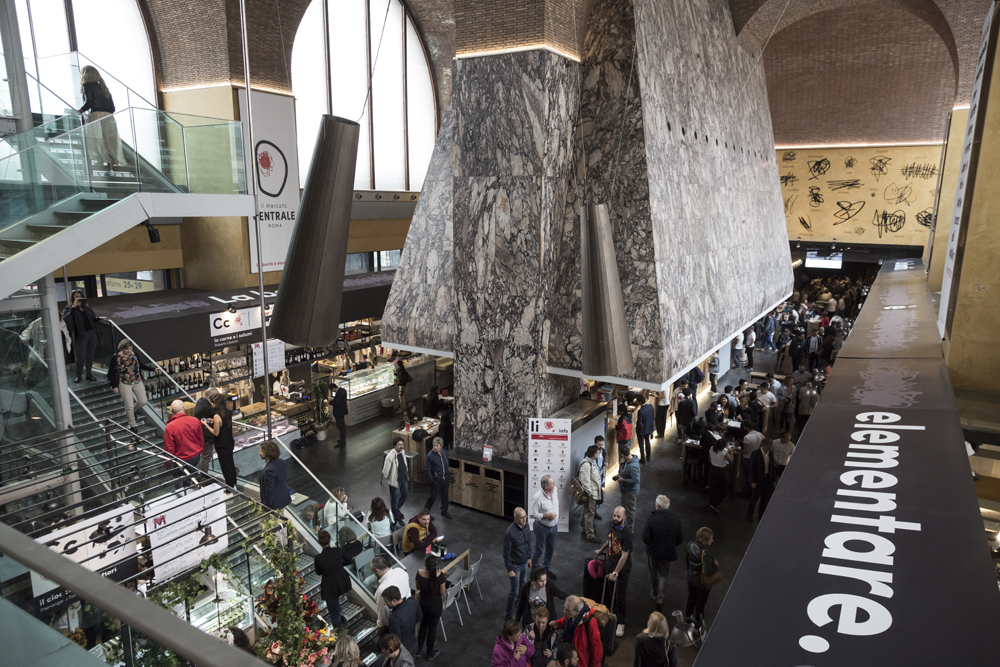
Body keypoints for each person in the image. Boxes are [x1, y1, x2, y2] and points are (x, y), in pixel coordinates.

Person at [594, 506, 632, 637]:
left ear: (624, 518)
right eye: (614, 515)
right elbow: (610, 540)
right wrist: (601, 550)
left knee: (620, 595)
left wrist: (615, 573)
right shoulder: (612, 525)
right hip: (611, 562)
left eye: (618, 516)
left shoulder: (627, 533)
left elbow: (625, 556)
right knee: (610, 591)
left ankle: (621, 623)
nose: (615, 518)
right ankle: (612, 614)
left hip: (621, 567)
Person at [641, 495, 683, 613]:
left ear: (658, 506)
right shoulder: (675, 520)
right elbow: (680, 539)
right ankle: (660, 599)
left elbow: (645, 538)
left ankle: (654, 593)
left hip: (653, 553)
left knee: (653, 572)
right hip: (667, 553)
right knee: (664, 574)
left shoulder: (651, 520)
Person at [78, 66, 123, 173]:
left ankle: (96, 163)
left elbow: (89, 102)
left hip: (96, 115)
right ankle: (110, 167)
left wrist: (79, 111)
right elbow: (113, 108)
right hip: (109, 117)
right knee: (109, 141)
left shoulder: (87, 86)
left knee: (95, 139)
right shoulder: (104, 88)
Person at [108, 340, 155, 433]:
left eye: (131, 348)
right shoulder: (116, 358)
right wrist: (114, 386)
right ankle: (133, 426)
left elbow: (140, 365)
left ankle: (132, 411)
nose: (129, 351)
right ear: (121, 349)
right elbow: (110, 373)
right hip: (124, 382)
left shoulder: (135, 355)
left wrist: (153, 369)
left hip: (137, 381)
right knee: (128, 405)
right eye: (127, 349)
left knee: (143, 401)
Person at [314, 529, 353, 628]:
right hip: (342, 581)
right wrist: (340, 565)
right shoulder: (337, 550)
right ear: (330, 540)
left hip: (329, 585)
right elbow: (350, 559)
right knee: (335, 599)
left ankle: (339, 633)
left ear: (319, 542)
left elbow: (318, 573)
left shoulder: (318, 558)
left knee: (333, 614)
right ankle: (342, 615)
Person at [548, 597, 602, 667]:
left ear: (577, 611)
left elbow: (597, 648)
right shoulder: (570, 614)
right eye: (564, 608)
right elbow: (565, 620)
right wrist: (558, 623)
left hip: (580, 662)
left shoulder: (590, 623)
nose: (564, 611)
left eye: (567, 610)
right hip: (569, 657)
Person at [63, 292, 103, 382]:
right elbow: (67, 318)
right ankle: (79, 375)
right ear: (73, 298)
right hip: (81, 334)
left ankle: (89, 374)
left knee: (90, 355)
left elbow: (92, 320)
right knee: (81, 356)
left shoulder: (86, 308)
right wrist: (74, 306)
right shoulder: (69, 308)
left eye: (80, 296)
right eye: (76, 297)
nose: (79, 298)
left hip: (91, 333)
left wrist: (100, 318)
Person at [685, 527, 719, 634]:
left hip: (691, 579)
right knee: (700, 604)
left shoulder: (690, 545)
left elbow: (687, 562)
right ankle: (697, 626)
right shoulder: (706, 554)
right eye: (711, 539)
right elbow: (708, 572)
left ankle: (687, 620)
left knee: (691, 599)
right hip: (702, 584)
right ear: (705, 540)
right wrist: (716, 566)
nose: (712, 540)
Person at [163, 400, 203, 484]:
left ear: (171, 411)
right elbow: (201, 439)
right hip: (195, 456)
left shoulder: (170, 427)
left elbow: (169, 448)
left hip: (181, 459)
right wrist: (199, 451)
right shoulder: (195, 421)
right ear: (184, 408)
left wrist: (168, 463)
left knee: (181, 480)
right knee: (191, 477)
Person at [504, 507, 533, 619]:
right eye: (521, 518)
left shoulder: (526, 526)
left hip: (524, 562)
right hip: (515, 565)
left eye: (525, 517)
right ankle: (509, 615)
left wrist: (529, 558)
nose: (524, 520)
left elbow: (528, 543)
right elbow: (506, 553)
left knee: (523, 585)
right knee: (514, 591)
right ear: (515, 518)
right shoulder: (509, 532)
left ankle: (518, 603)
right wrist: (510, 569)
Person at [415, 554, 446, 660]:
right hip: (435, 607)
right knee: (432, 630)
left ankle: (418, 650)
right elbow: (442, 592)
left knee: (423, 626)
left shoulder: (419, 573)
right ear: (436, 563)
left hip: (423, 605)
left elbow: (418, 587)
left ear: (425, 564)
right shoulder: (439, 575)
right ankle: (429, 653)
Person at [529, 475, 559, 578]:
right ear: (546, 486)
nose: (554, 484)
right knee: (539, 550)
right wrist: (547, 515)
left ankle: (546, 569)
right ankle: (535, 572)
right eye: (552, 483)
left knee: (550, 549)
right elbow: (532, 514)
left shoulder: (554, 491)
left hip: (553, 527)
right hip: (541, 528)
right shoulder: (537, 497)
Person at [372, 556, 411, 633]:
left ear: (377, 571)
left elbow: (382, 617)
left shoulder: (381, 590)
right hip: (410, 611)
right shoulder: (400, 571)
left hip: (397, 622)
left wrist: (379, 634)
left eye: (373, 571)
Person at [384, 586, 422, 658]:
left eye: (386, 602)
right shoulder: (412, 601)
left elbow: (396, 641)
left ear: (394, 601)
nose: (385, 604)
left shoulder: (394, 619)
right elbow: (420, 616)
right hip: (413, 642)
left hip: (403, 651)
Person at [211, 392, 237, 491]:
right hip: (229, 442)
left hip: (221, 445)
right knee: (230, 463)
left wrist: (207, 425)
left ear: (216, 403)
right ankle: (233, 482)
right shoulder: (227, 412)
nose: (212, 405)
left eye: (212, 403)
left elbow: (215, 433)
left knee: (225, 467)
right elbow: (223, 424)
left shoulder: (217, 416)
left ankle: (229, 488)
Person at [747, 438, 777, 522]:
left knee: (764, 498)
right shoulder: (755, 454)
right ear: (764, 445)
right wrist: (752, 481)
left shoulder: (771, 454)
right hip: (758, 479)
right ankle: (750, 514)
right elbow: (752, 468)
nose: (771, 447)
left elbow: (772, 468)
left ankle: (761, 515)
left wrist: (774, 480)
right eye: (770, 445)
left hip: (767, 478)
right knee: (754, 497)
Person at [578, 445, 602, 543]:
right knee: (590, 513)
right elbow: (585, 481)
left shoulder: (591, 462)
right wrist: (590, 493)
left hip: (591, 493)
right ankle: (590, 535)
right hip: (590, 494)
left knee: (586, 510)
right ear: (594, 454)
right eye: (598, 452)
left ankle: (585, 528)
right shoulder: (586, 465)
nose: (599, 453)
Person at [383, 437, 409, 525]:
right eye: (399, 445)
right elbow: (385, 472)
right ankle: (396, 517)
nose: (401, 446)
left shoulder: (403, 452)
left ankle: (396, 510)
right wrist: (391, 479)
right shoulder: (390, 456)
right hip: (395, 482)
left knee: (405, 495)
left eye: (402, 444)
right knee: (395, 500)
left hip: (403, 479)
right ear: (394, 446)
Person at [707, 426, 733, 513]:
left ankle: (712, 503)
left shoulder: (711, 448)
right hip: (721, 471)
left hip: (713, 469)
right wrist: (731, 451)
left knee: (713, 487)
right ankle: (716, 504)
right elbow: (730, 460)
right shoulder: (724, 451)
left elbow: (710, 460)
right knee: (722, 488)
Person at [613, 445, 640, 530]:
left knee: (630, 512)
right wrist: (621, 464)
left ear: (622, 455)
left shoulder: (632, 466)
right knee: (623, 509)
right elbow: (622, 471)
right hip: (625, 491)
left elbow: (636, 481)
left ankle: (629, 530)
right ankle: (623, 526)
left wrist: (623, 480)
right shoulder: (626, 461)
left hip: (630, 492)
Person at [259, 440, 291, 510]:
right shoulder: (281, 462)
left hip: (274, 505)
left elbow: (270, 491)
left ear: (267, 453)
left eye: (261, 451)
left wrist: (267, 507)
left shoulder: (268, 470)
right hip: (282, 499)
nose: (259, 453)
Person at [195, 387, 221, 474]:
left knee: (203, 457)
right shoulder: (208, 407)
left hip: (198, 434)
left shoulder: (200, 401)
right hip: (206, 436)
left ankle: (198, 474)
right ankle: (202, 477)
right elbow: (218, 418)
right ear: (212, 396)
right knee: (206, 457)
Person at [424, 437, 451, 518]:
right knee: (432, 497)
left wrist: (448, 472)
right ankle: (426, 513)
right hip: (436, 480)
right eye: (434, 445)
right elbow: (427, 469)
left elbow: (446, 463)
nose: (435, 447)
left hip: (445, 478)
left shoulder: (445, 452)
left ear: (441, 446)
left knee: (445, 496)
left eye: (437, 445)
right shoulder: (430, 456)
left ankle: (444, 511)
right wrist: (432, 480)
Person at [740, 423, 763, 496]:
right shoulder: (760, 434)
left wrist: (738, 450)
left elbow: (746, 451)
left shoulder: (747, 437)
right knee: (753, 475)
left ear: (746, 427)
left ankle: (746, 492)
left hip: (748, 458)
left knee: (747, 476)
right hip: (756, 458)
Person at [635, 399, 655, 464]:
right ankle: (648, 457)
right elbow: (652, 417)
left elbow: (640, 423)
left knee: (641, 445)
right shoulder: (650, 406)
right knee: (647, 442)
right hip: (648, 428)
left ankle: (642, 459)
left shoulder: (640, 411)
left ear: (640, 401)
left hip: (642, 430)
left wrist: (637, 429)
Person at [331, 381, 349, 448]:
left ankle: (342, 442)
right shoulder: (343, 390)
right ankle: (342, 440)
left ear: (333, 388)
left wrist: (331, 402)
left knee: (340, 427)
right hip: (342, 411)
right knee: (342, 426)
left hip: (338, 412)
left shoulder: (339, 394)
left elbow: (337, 403)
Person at [593, 436, 607, 520]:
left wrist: (605, 464)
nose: (601, 446)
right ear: (595, 443)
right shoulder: (591, 452)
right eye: (599, 444)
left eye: (602, 444)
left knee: (600, 498)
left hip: (600, 477)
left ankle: (594, 511)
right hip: (594, 479)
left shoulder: (603, 451)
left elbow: (603, 461)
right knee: (594, 498)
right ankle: (593, 514)